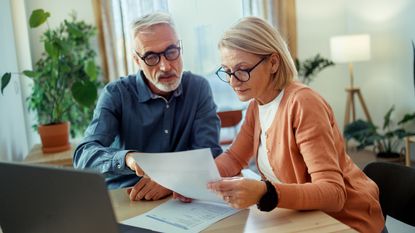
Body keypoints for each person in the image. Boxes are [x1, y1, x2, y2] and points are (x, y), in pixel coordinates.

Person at [205, 17, 385, 233]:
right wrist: (199, 180)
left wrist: (265, 192)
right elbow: (234, 158)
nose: (233, 82)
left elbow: (333, 194)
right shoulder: (257, 104)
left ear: (273, 62)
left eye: (243, 70)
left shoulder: (303, 103)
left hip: (346, 223)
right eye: (227, 70)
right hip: (303, 220)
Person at [73, 12, 222, 201]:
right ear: (137, 60)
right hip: (127, 197)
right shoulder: (116, 94)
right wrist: (127, 158)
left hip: (182, 197)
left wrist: (171, 181)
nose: (165, 66)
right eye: (151, 57)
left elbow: (209, 154)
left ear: (180, 48)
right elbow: (84, 157)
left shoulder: (198, 88)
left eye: (171, 52)